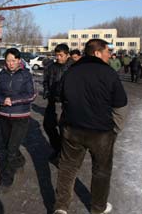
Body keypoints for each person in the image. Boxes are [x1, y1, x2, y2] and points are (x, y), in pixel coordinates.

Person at [53, 39, 127, 214]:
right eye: (107, 51)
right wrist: (115, 129)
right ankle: (98, 208)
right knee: (101, 171)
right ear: (97, 53)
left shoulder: (71, 72)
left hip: (72, 130)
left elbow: (59, 97)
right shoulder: (108, 73)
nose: (109, 54)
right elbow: (120, 105)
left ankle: (61, 207)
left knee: (67, 168)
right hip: (101, 133)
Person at [0, 48, 36, 193]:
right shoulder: (2, 75)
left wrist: (14, 100)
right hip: (4, 116)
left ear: (19, 60)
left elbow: (31, 95)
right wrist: (2, 100)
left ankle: (6, 179)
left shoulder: (26, 75)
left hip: (21, 117)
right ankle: (20, 160)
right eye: (8, 61)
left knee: (10, 150)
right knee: (7, 145)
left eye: (13, 60)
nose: (11, 64)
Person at [42, 44, 75, 164]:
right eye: (57, 55)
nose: (58, 58)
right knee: (48, 125)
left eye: (61, 55)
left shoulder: (73, 68)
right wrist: (46, 90)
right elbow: (45, 81)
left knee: (65, 130)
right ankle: (58, 148)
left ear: (67, 55)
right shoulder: (52, 67)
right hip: (52, 101)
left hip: (66, 104)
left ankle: (64, 155)